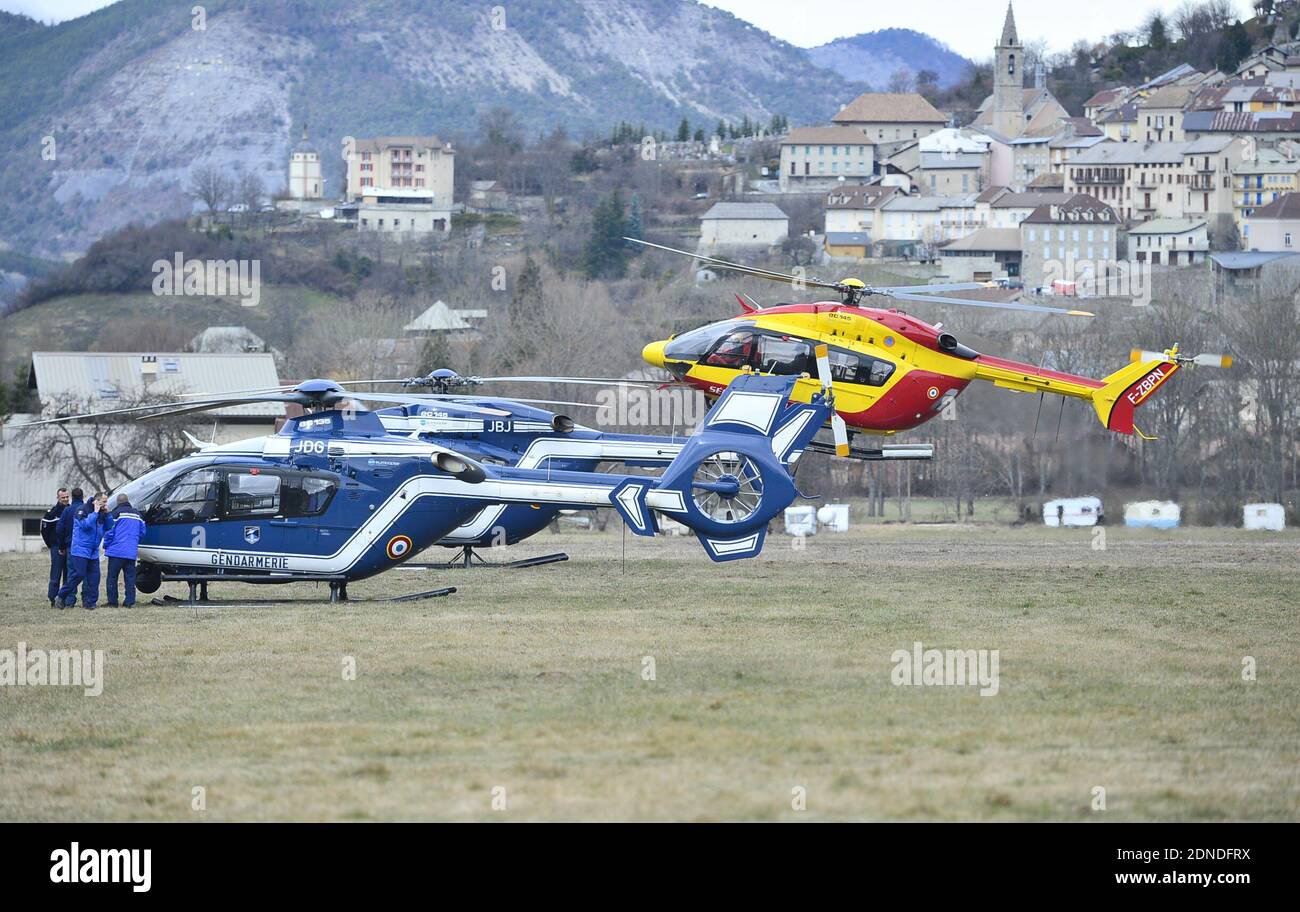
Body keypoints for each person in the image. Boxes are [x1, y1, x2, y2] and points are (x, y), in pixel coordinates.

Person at [65, 492, 114, 611]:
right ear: (97, 501)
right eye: (104, 501)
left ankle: (90, 602)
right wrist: (95, 512)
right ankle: (64, 597)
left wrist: (107, 514)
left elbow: (109, 526)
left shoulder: (103, 513)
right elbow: (85, 525)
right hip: (80, 550)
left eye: (106, 501)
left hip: (93, 551)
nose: (105, 504)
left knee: (94, 578)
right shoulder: (82, 510)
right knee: (78, 575)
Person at [103, 493, 145, 608]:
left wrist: (106, 545)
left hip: (116, 552)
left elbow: (109, 532)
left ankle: (112, 602)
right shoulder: (138, 515)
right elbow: (142, 532)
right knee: (130, 578)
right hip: (131, 553)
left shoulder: (115, 514)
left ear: (118, 502)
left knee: (112, 577)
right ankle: (130, 602)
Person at [54, 487, 85, 609]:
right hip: (87, 548)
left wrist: (61, 545)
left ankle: (69, 601)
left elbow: (59, 529)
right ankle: (88, 601)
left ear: (72, 497)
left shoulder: (67, 511)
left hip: (71, 546)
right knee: (87, 574)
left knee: (72, 574)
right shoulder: (88, 509)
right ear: (83, 496)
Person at [40, 487, 70, 608]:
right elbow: (44, 531)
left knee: (68, 575)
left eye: (67, 497)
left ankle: (66, 599)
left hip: (69, 547)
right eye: (63, 497)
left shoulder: (72, 510)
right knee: (55, 574)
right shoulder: (51, 513)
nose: (65, 499)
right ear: (58, 498)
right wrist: (52, 544)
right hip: (56, 547)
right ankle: (53, 598)